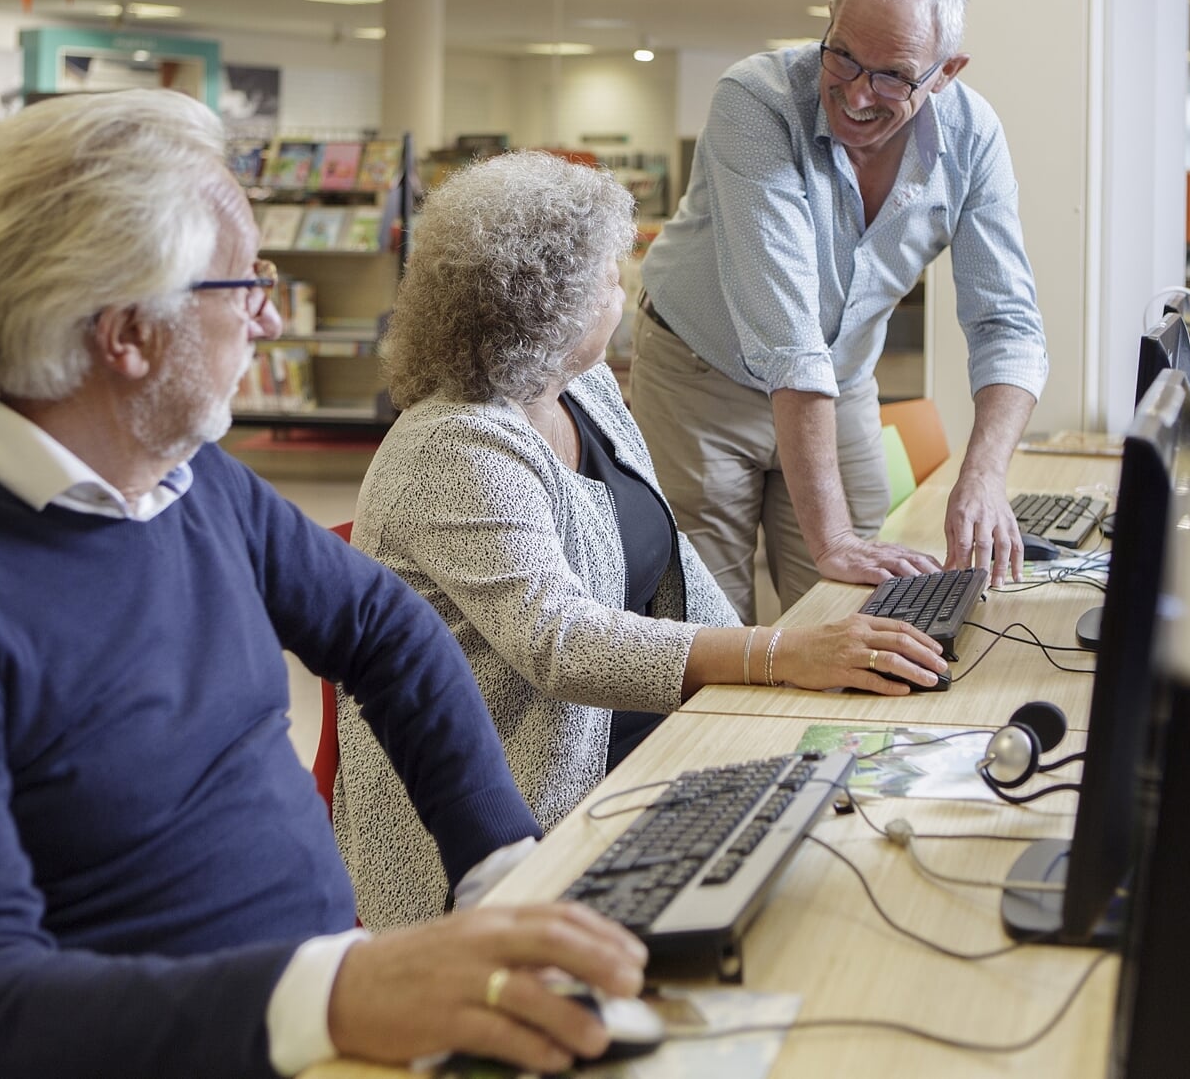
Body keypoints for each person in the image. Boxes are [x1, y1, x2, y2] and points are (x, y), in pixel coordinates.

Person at [0, 90, 646, 1079]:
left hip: (315, 1027)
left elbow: (385, 627)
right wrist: (344, 994)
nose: (267, 314)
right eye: (244, 283)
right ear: (129, 334)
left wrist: (500, 867)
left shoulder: (179, 475)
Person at [331, 152, 949, 931]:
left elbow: (672, 557)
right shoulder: (454, 447)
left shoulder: (581, 389)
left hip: (636, 753)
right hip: (510, 821)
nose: (624, 291)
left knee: (837, 847)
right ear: (548, 305)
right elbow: (563, 643)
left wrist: (790, 673)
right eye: (609, 279)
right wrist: (778, 657)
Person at [632, 0, 1049, 623]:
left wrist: (985, 478)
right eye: (843, 57)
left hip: (842, 378)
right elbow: (786, 331)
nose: (857, 94)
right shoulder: (756, 100)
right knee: (706, 623)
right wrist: (831, 541)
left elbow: (1008, 325)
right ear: (828, 24)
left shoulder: (974, 139)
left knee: (859, 612)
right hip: (698, 379)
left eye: (892, 77)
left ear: (946, 75)